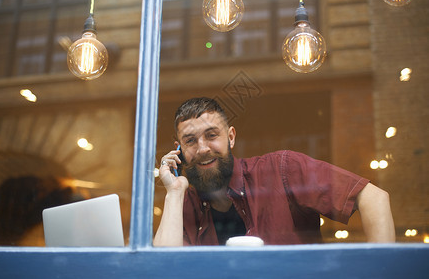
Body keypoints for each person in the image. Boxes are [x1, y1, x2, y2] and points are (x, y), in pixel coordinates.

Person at [153, 97, 395, 246]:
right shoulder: (186, 204)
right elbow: (163, 268)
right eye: (190, 141)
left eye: (211, 135)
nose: (203, 148)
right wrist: (174, 192)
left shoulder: (282, 169)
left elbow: (373, 197)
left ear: (231, 137)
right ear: (180, 149)